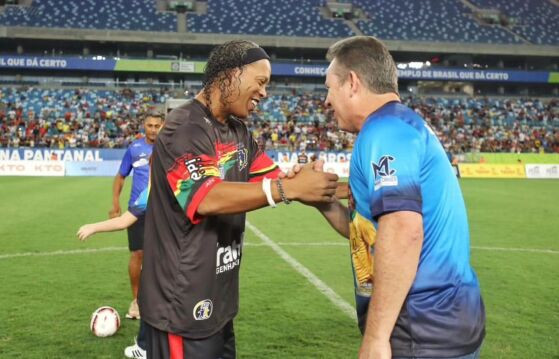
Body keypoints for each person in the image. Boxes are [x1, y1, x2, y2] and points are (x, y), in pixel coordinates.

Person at [139, 40, 339, 359]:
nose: (264, 93)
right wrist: (289, 190)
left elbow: (277, 179)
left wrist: (333, 186)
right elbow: (205, 197)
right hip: (180, 307)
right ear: (230, 75)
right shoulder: (184, 126)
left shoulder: (238, 132)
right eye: (260, 82)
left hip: (218, 303)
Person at [314, 36, 485, 359]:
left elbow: (403, 231)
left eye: (329, 87)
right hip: (442, 323)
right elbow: (369, 232)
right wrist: (322, 203)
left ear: (352, 83)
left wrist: (377, 338)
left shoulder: (386, 131)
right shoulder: (400, 124)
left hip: (422, 328)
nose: (326, 100)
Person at [77, 188, 149, 359]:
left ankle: (146, 347)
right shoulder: (183, 182)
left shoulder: (156, 189)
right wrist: (93, 227)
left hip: (168, 256)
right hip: (184, 253)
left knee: (150, 296)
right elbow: (124, 220)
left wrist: (93, 227)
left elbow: (124, 221)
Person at [110, 110, 163, 320]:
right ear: (144, 126)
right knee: (137, 254)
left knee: (165, 256)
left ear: (162, 125)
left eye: (156, 126)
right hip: (138, 211)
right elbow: (121, 176)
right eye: (149, 125)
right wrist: (115, 201)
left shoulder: (171, 147)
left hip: (164, 210)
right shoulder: (134, 148)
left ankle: (163, 298)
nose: (152, 130)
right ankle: (137, 300)